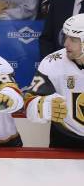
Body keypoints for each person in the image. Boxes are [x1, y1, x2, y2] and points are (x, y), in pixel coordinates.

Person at [24, 14, 84, 148]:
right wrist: (43, 106)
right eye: (66, 36)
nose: (65, 43)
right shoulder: (52, 62)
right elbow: (29, 103)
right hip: (65, 140)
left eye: (73, 39)